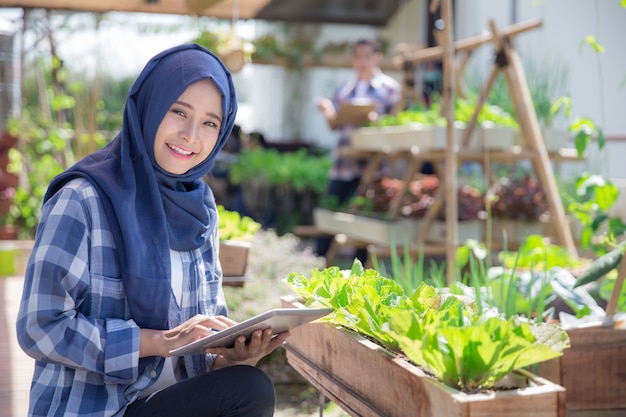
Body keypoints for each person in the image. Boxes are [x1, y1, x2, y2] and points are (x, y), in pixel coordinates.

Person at [16, 43, 289, 417]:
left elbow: (199, 354)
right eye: (179, 111)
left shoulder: (200, 208)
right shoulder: (82, 200)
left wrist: (234, 358)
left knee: (247, 385)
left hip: (167, 402)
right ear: (149, 106)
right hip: (98, 408)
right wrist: (156, 342)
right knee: (250, 390)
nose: (192, 135)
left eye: (210, 122)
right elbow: (39, 326)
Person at [315, 37, 402, 262]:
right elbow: (335, 125)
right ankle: (318, 261)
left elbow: (395, 125)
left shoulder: (390, 89)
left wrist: (374, 119)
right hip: (345, 162)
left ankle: (360, 269)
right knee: (330, 208)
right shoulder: (344, 89)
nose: (362, 61)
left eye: (367, 56)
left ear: (377, 58)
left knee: (366, 215)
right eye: (357, 56)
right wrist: (327, 110)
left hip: (374, 164)